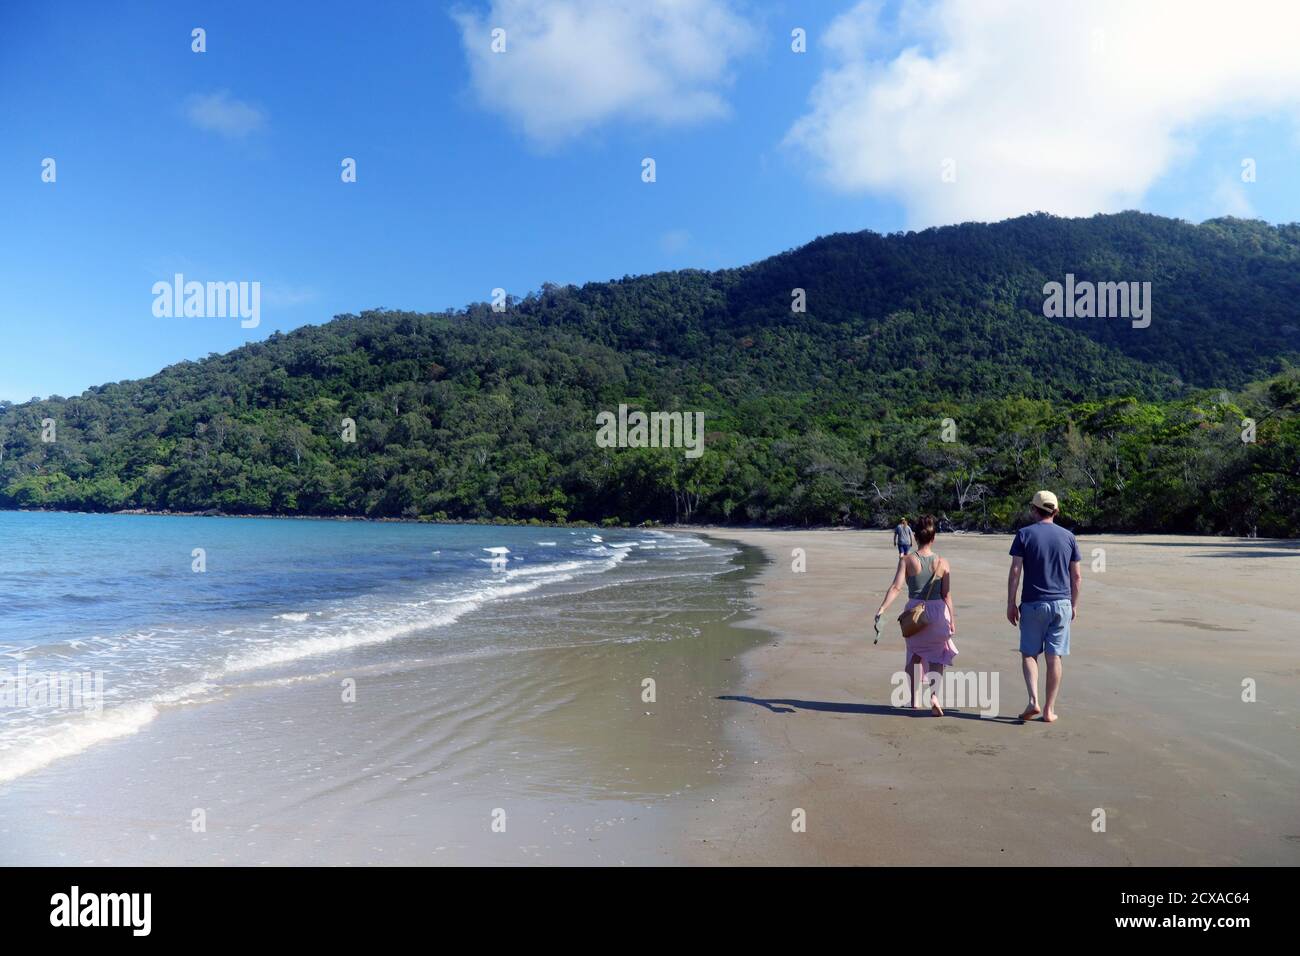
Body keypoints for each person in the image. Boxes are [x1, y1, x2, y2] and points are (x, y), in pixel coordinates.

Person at [1007, 491, 1081, 723]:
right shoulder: (1069, 537)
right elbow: (1076, 576)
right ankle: (1049, 710)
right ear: (1056, 511)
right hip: (1061, 603)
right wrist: (1074, 605)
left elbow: (1016, 571)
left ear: (1034, 510)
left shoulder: (1024, 534)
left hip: (1033, 603)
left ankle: (1033, 700)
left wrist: (1010, 602)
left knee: (1029, 654)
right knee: (1054, 656)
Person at [875, 514, 957, 715]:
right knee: (937, 657)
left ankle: (914, 701)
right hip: (938, 613)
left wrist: (882, 608)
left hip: (915, 614)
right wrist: (952, 621)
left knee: (914, 657)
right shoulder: (943, 562)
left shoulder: (907, 560)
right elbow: (946, 594)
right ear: (933, 538)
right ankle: (934, 696)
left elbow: (896, 587)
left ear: (915, 537)